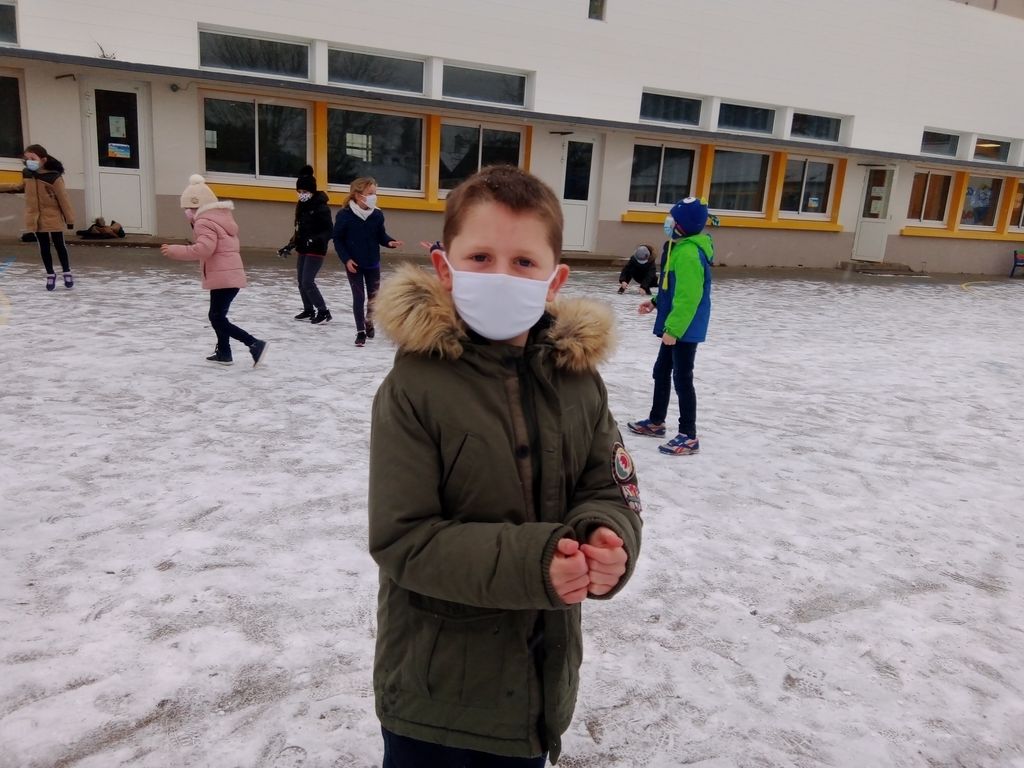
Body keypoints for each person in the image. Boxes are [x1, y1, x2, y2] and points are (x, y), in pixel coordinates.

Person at [368, 165, 643, 768]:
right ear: (445, 267)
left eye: (523, 262)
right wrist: (536, 564)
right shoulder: (415, 387)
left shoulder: (579, 380)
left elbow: (610, 484)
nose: (500, 276)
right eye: (480, 257)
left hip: (537, 692)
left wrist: (608, 536)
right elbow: (403, 539)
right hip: (436, 699)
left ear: (554, 280)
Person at [627, 197, 714, 456]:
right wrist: (655, 302)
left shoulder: (688, 253)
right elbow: (671, 287)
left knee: (682, 378)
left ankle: (689, 435)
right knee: (661, 370)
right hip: (674, 323)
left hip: (684, 327)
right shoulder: (678, 247)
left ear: (683, 225)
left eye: (672, 218)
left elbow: (689, 297)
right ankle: (656, 421)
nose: (668, 221)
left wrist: (674, 330)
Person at [160, 174, 268, 368]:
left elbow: (204, 249)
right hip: (226, 275)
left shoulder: (203, 222)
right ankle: (224, 352)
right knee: (218, 316)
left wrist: (175, 250)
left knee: (216, 317)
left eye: (188, 208)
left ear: (196, 206)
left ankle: (254, 344)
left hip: (224, 276)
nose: (187, 213)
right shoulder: (220, 218)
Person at [332, 177, 403, 347]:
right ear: (358, 195)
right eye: (370, 193)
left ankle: (369, 321)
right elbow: (338, 240)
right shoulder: (345, 215)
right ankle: (360, 332)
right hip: (354, 264)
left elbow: (381, 236)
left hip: (372, 263)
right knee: (359, 297)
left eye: (375, 193)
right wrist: (346, 259)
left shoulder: (377, 214)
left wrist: (390, 242)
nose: (374, 197)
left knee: (373, 298)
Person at [0, 144, 76, 290]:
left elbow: (64, 199)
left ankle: (67, 271)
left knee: (59, 245)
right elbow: (20, 187)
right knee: (44, 247)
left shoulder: (54, 177)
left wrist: (69, 219)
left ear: (43, 160)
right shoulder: (27, 174)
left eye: (33, 158)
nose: (29, 161)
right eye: (27, 158)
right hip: (35, 217)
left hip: (52, 216)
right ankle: (50, 274)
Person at [279, 165, 334, 324]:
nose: (301, 194)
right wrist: (290, 245)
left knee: (307, 281)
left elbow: (329, 230)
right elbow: (299, 229)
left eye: (304, 191)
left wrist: (316, 239)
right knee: (301, 282)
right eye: (299, 191)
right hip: (303, 248)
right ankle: (308, 309)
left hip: (316, 249)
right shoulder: (301, 205)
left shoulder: (321, 207)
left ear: (312, 191)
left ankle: (323, 311)